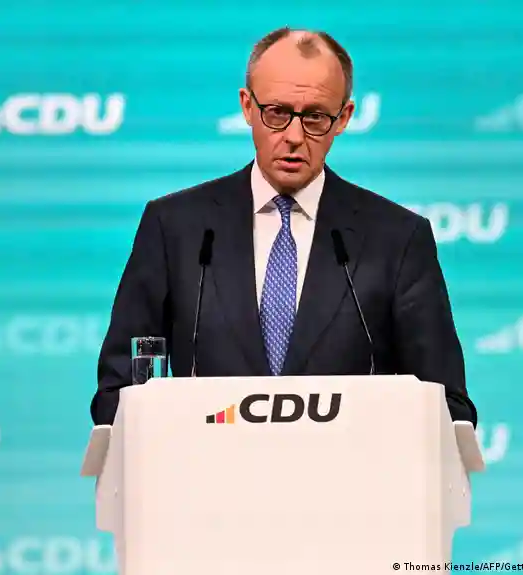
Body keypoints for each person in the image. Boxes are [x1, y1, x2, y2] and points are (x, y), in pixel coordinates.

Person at [90, 27, 478, 427]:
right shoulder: (175, 227)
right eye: (277, 112)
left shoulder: (397, 239)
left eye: (315, 117)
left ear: (344, 118)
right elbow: (119, 393)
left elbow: (446, 405)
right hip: (203, 465)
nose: (294, 137)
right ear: (247, 106)